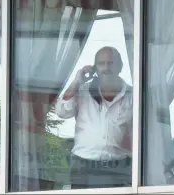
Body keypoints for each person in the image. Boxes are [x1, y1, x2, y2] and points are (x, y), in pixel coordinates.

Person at [56, 46, 133, 189]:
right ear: (95, 68)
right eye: (101, 63)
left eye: (110, 63)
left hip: (118, 168)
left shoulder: (132, 95)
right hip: (83, 168)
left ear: (120, 66)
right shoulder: (83, 90)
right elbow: (62, 111)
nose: (106, 68)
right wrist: (76, 81)